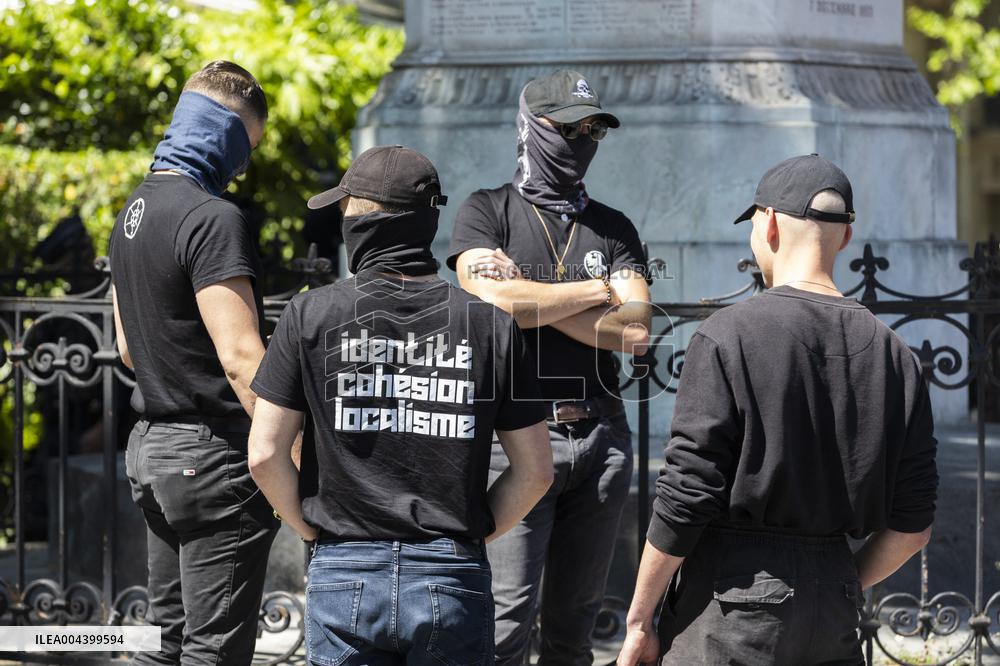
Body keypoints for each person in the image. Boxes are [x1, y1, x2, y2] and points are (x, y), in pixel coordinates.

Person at [618, 154, 939, 666]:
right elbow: (914, 525)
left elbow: (686, 494)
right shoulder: (896, 355)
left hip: (732, 604)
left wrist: (638, 621)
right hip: (832, 607)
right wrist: (837, 581)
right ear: (846, 238)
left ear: (767, 224)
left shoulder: (728, 334)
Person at [247, 145, 554, 665]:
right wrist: (474, 532)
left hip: (345, 566)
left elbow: (263, 454)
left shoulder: (310, 315)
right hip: (450, 571)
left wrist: (309, 527)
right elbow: (536, 471)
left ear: (360, 225)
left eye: (344, 211)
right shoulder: (491, 326)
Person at [448, 69, 652, 665]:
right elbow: (492, 302)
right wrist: (599, 293)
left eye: (593, 128)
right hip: (515, 441)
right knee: (505, 621)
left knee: (574, 628)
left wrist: (531, 299)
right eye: (569, 126)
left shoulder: (613, 227)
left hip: (602, 438)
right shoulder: (486, 212)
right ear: (533, 127)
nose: (582, 138)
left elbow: (636, 330)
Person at [108, 60, 278, 665]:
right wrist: (291, 455)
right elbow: (240, 357)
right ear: (225, 134)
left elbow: (128, 348)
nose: (242, 167)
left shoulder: (130, 213)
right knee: (214, 651)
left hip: (152, 452)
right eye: (247, 148)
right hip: (212, 461)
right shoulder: (212, 218)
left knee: (165, 640)